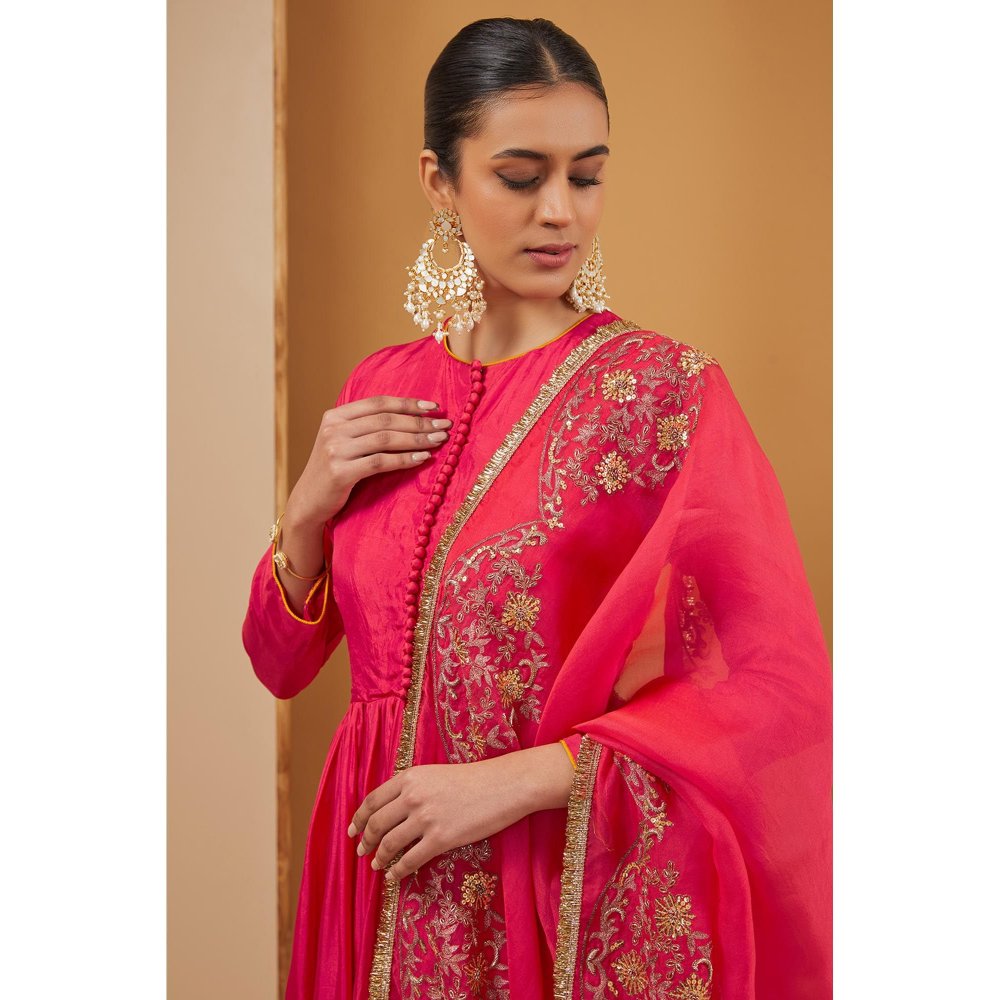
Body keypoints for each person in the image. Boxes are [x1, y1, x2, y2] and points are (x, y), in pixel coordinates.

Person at [242, 16, 831, 1000]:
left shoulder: (658, 394)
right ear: (439, 181)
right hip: (368, 877)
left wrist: (526, 776)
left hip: (536, 890)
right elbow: (281, 665)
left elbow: (779, 686)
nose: (560, 212)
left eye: (586, 176)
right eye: (520, 177)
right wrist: (305, 513)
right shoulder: (380, 390)